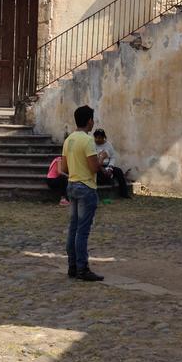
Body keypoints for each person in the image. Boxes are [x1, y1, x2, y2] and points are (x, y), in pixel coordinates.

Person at [59, 105, 105, 280]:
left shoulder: (69, 139)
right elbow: (94, 168)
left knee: (73, 228)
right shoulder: (87, 141)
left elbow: (64, 167)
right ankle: (82, 268)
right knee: (82, 231)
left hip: (72, 184)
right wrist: (101, 158)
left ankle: (72, 266)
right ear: (89, 121)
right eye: (92, 119)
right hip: (86, 186)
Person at [93, 128, 130, 198]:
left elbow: (112, 157)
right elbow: (93, 160)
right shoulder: (92, 145)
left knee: (119, 171)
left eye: (99, 138)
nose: (97, 140)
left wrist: (110, 167)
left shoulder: (108, 145)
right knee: (99, 175)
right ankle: (108, 181)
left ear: (104, 138)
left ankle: (124, 194)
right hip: (97, 167)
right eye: (96, 138)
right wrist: (101, 168)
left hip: (108, 165)